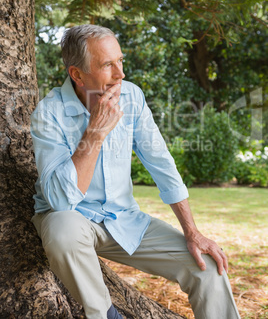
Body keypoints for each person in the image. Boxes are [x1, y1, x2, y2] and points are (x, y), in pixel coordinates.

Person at [31, 24, 240, 319]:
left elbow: (161, 162)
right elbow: (60, 202)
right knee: (63, 228)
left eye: (121, 61)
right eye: (108, 65)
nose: (121, 74)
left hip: (125, 219)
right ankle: (106, 315)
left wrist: (192, 232)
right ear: (77, 74)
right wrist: (94, 133)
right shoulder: (48, 113)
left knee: (207, 267)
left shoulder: (131, 97)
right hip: (73, 221)